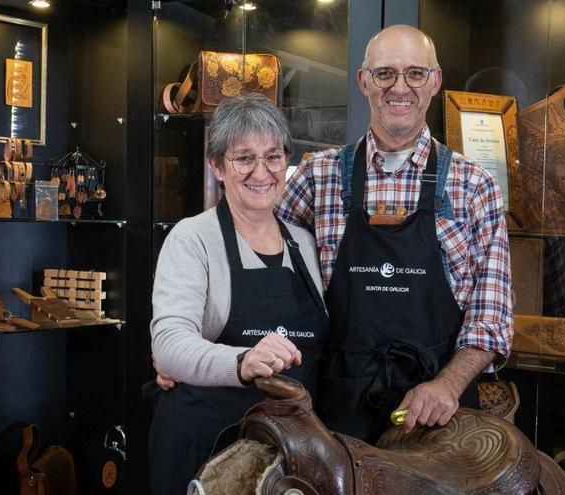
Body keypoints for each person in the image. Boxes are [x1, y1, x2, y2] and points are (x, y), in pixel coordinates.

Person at [275, 24, 513, 442]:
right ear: (364, 81)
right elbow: (260, 269)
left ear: (435, 81)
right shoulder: (318, 177)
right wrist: (195, 341)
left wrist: (447, 385)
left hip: (438, 419)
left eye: (415, 73)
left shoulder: (474, 187)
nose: (399, 87)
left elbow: (491, 319)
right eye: (384, 73)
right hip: (334, 412)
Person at [149, 94, 328, 495]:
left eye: (273, 156)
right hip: (207, 447)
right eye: (243, 158)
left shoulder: (305, 243)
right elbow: (168, 346)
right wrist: (244, 360)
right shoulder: (193, 238)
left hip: (287, 454)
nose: (261, 172)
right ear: (217, 166)